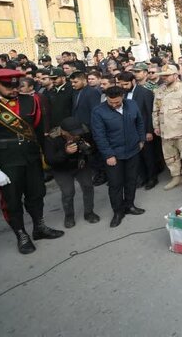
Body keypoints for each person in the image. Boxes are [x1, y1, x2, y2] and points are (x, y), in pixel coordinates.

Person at [0, 69, 64, 254]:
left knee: (37, 194)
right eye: (8, 86)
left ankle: (39, 227)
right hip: (6, 162)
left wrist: (47, 157)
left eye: (16, 85)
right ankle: (21, 234)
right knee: (12, 201)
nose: (14, 89)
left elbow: (39, 133)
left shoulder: (30, 101)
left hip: (31, 157)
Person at [91, 85, 146, 228]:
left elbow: (139, 122)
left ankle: (130, 205)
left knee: (131, 180)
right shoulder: (98, 111)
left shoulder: (132, 104)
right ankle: (118, 211)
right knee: (115, 184)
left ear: (122, 97)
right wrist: (108, 154)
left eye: (117, 102)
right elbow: (99, 136)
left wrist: (141, 139)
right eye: (111, 102)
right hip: (114, 155)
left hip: (133, 150)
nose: (114, 105)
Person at [43, 116, 99, 228]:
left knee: (88, 186)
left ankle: (89, 213)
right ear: (63, 131)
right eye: (72, 134)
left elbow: (95, 147)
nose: (76, 136)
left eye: (78, 133)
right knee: (68, 192)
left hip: (80, 163)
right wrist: (65, 153)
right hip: (61, 169)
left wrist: (90, 148)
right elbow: (49, 160)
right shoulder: (52, 138)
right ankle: (69, 216)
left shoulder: (84, 131)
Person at [152, 65, 182, 191]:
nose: (164, 78)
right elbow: (155, 109)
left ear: (176, 75)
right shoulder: (159, 90)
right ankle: (176, 176)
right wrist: (156, 125)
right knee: (169, 156)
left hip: (180, 129)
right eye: (162, 75)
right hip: (165, 130)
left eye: (167, 75)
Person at [116, 71, 157, 189]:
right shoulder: (122, 94)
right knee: (136, 157)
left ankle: (152, 178)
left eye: (125, 84)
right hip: (129, 132)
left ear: (133, 81)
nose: (123, 87)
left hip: (144, 130)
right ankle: (142, 178)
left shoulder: (145, 93)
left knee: (148, 156)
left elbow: (150, 113)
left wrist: (149, 131)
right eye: (121, 84)